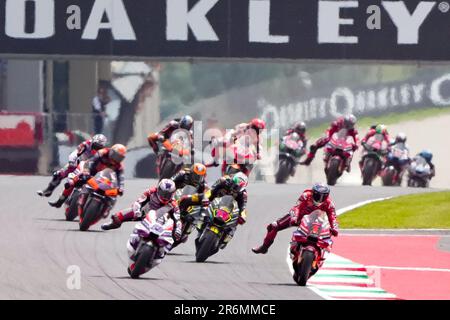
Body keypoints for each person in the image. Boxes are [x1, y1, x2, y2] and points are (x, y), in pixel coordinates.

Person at [252, 183, 338, 254]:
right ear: (313, 192)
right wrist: (295, 217)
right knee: (273, 226)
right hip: (298, 218)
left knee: (327, 236)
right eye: (318, 195)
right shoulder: (306, 196)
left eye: (324, 196)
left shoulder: (329, 204)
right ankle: (264, 247)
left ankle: (319, 255)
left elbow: (332, 216)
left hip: (316, 223)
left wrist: (334, 228)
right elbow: (297, 207)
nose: (320, 199)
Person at [101, 179, 182, 243]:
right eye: (163, 193)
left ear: (172, 194)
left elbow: (177, 220)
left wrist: (178, 229)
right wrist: (137, 210)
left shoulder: (174, 204)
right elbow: (138, 202)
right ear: (158, 189)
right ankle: (113, 223)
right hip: (144, 214)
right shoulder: (151, 192)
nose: (164, 197)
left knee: (176, 237)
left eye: (167, 195)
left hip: (162, 223)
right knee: (118, 217)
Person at [48, 144, 126, 208]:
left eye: (120, 158)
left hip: (102, 177)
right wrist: (86, 171)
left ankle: (105, 208)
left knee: (112, 193)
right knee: (72, 183)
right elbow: (91, 161)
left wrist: (121, 188)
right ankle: (60, 201)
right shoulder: (102, 152)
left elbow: (121, 178)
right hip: (91, 170)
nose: (116, 159)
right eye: (116, 156)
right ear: (111, 152)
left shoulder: (119, 166)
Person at [37, 134, 107, 197]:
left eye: (99, 147)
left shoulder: (104, 152)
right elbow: (76, 152)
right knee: (59, 174)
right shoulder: (86, 144)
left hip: (91, 168)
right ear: (92, 142)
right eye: (95, 145)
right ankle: (49, 190)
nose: (96, 148)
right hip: (78, 163)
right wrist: (72, 160)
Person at [201, 172, 249, 249]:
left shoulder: (243, 194)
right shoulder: (224, 181)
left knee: (235, 223)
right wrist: (206, 198)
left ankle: (225, 239)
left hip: (228, 210)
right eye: (234, 185)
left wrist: (242, 216)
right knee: (202, 210)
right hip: (216, 204)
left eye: (238, 188)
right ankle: (202, 224)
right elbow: (212, 191)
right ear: (233, 180)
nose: (235, 188)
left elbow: (243, 207)